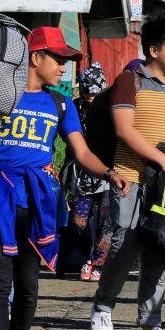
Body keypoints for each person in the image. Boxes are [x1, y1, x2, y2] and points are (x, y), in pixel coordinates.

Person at [0, 27, 129, 330]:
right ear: (36, 57)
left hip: (34, 203)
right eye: (59, 59)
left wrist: (110, 173)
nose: (65, 67)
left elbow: (81, 153)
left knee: (29, 288)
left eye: (67, 61)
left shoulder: (60, 103)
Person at [89, 17, 165, 330]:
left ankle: (150, 326)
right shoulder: (129, 81)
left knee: (161, 250)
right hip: (132, 180)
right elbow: (124, 129)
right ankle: (103, 307)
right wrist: (162, 158)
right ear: (153, 50)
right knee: (126, 246)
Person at [61, 63, 113, 283]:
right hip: (81, 172)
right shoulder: (73, 106)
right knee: (78, 221)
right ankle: (86, 255)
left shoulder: (111, 106)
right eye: (86, 93)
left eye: (95, 93)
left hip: (107, 170)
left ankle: (97, 263)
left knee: (106, 222)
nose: (90, 97)